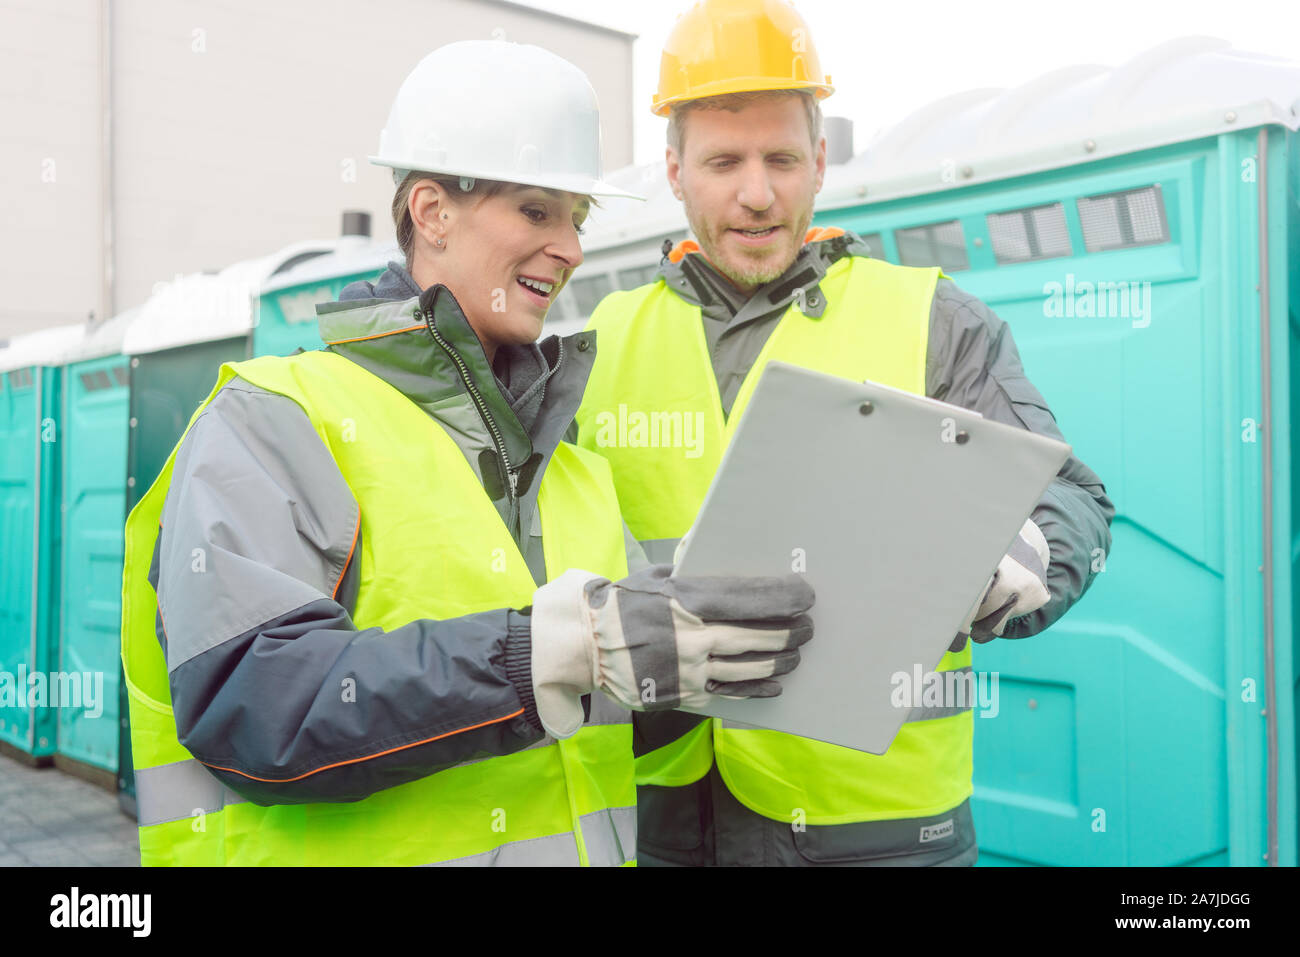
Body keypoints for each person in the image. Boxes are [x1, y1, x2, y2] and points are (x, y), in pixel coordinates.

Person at [119, 39, 814, 867]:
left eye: (576, 219)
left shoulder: (572, 471)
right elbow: (250, 701)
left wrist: (694, 664)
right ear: (430, 211)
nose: (571, 248)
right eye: (536, 210)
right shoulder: (277, 418)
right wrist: (539, 654)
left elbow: (613, 740)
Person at [572, 0, 1115, 866]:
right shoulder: (600, 342)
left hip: (880, 825)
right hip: (661, 812)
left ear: (821, 162)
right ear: (674, 173)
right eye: (723, 162)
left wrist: (1032, 550)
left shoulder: (933, 319)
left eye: (782, 158)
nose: (759, 192)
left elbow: (1072, 494)